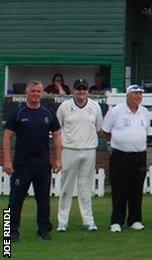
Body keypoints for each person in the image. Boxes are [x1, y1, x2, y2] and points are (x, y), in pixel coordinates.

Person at [4, 80, 62, 241]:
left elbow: (57, 136)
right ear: (27, 93)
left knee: (43, 199)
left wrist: (58, 159)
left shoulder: (48, 113)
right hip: (22, 164)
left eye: (38, 92)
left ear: (41, 93)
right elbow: (7, 137)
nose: (36, 94)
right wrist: (7, 161)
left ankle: (43, 230)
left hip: (42, 164)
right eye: (33, 92)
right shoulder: (18, 113)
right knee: (15, 200)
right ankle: (10, 231)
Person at [56, 78, 103, 232]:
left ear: (87, 91)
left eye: (84, 89)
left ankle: (88, 221)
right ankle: (62, 222)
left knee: (86, 187)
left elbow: (99, 127)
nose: (81, 92)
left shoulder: (95, 107)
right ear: (73, 91)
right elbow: (58, 128)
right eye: (78, 89)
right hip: (69, 150)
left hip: (89, 151)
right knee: (66, 188)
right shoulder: (64, 107)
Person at [102, 84, 150, 233]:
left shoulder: (144, 112)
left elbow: (145, 133)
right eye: (135, 94)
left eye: (140, 94)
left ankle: (135, 220)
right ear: (128, 96)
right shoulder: (116, 111)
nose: (138, 97)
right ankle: (117, 221)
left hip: (139, 155)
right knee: (119, 189)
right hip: (120, 155)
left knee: (136, 189)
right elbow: (105, 131)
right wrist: (118, 142)